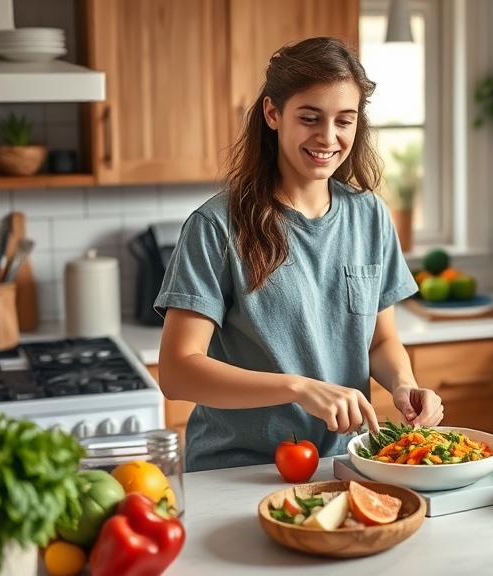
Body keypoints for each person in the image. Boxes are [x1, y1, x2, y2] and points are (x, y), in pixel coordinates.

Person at [154, 36, 445, 472]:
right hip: (238, 470)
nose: (327, 137)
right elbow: (178, 372)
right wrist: (298, 388)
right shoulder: (216, 226)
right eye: (310, 118)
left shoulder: (370, 216)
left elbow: (381, 341)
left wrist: (404, 384)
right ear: (273, 113)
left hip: (342, 462)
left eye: (344, 121)